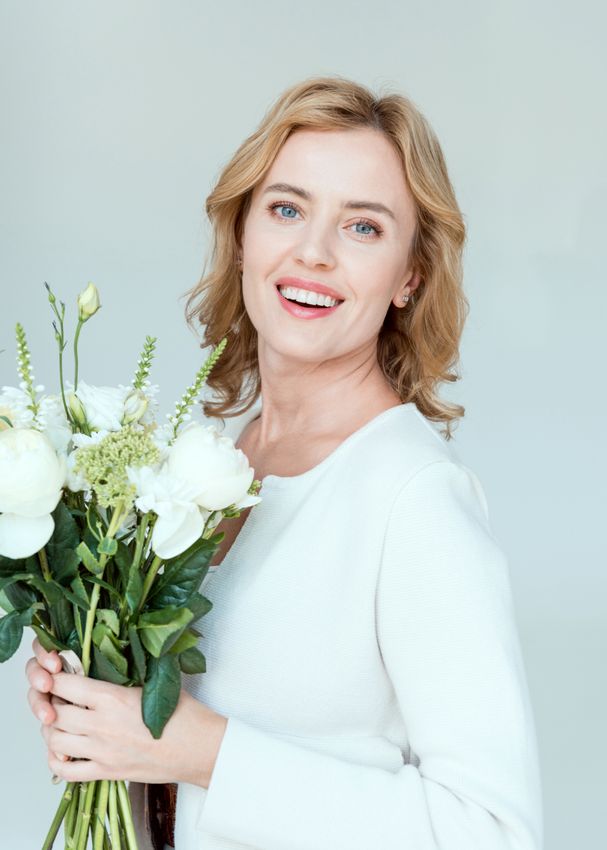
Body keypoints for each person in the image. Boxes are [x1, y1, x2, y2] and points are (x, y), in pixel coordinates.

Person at [25, 75, 544, 850]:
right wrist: (97, 703)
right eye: (287, 209)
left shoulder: (414, 497)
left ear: (409, 276)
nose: (313, 252)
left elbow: (492, 831)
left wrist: (202, 752)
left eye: (362, 227)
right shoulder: (210, 467)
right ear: (243, 235)